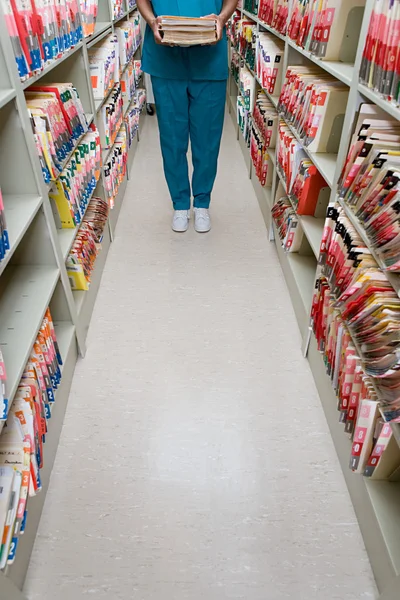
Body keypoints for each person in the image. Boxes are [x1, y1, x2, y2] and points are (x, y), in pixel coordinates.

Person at [137, 0, 238, 233]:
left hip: (209, 55)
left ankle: (202, 203)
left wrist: (221, 19)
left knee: (207, 138)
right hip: (165, 55)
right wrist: (152, 22)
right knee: (172, 137)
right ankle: (180, 204)